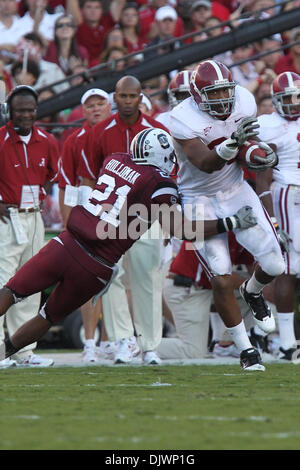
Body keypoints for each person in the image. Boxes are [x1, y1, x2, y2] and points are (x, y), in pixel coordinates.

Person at [0, 127, 258, 367]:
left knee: (12, 291)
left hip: (66, 244)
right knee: (47, 317)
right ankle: (4, 353)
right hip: (96, 266)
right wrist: (231, 222)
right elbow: (181, 229)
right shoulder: (159, 183)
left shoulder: (115, 160)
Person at [168, 60, 285, 371]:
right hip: (198, 197)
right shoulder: (181, 118)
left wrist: (260, 153)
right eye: (213, 93)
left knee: (276, 263)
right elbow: (205, 163)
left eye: (224, 92)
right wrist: (235, 143)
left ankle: (252, 291)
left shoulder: (244, 100)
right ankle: (246, 350)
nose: (222, 99)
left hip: (235, 190)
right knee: (220, 278)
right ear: (195, 95)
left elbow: (248, 143)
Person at [78, 75, 174, 365]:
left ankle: (149, 346)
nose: (128, 101)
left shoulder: (157, 129)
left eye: (133, 96)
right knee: (112, 277)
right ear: (115, 99)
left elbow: (169, 178)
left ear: (140, 96)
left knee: (147, 278)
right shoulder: (99, 132)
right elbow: (89, 179)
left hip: (147, 215)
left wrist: (168, 220)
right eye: (123, 96)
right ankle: (122, 341)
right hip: (111, 215)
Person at [0, 85, 59, 368]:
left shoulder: (47, 140)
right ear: (10, 111)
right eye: (20, 110)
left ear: (37, 111)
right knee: (3, 281)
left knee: (30, 283)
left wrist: (41, 195)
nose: (25, 114)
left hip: (34, 217)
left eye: (30, 110)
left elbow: (52, 174)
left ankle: (23, 351)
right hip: (6, 217)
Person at [58, 87, 112, 363]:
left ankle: (116, 340)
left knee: (123, 282)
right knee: (89, 280)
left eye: (100, 103)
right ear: (83, 110)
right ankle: (90, 342)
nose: (95, 109)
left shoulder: (118, 133)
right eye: (89, 105)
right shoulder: (73, 141)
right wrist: (69, 224)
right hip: (88, 215)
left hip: (122, 214)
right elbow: (66, 185)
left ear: (108, 105)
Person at [256, 71, 300, 360]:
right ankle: (286, 343)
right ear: (275, 101)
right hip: (288, 193)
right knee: (289, 266)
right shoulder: (269, 126)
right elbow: (263, 176)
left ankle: (266, 335)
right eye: (287, 99)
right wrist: (270, 217)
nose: (293, 104)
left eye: (297, 98)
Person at [76, 0, 126, 67]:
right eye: (89, 7)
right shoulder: (78, 25)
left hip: (112, 63)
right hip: (89, 67)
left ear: (101, 10)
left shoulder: (107, 22)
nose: (93, 11)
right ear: (81, 11)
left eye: (97, 7)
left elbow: (119, 2)